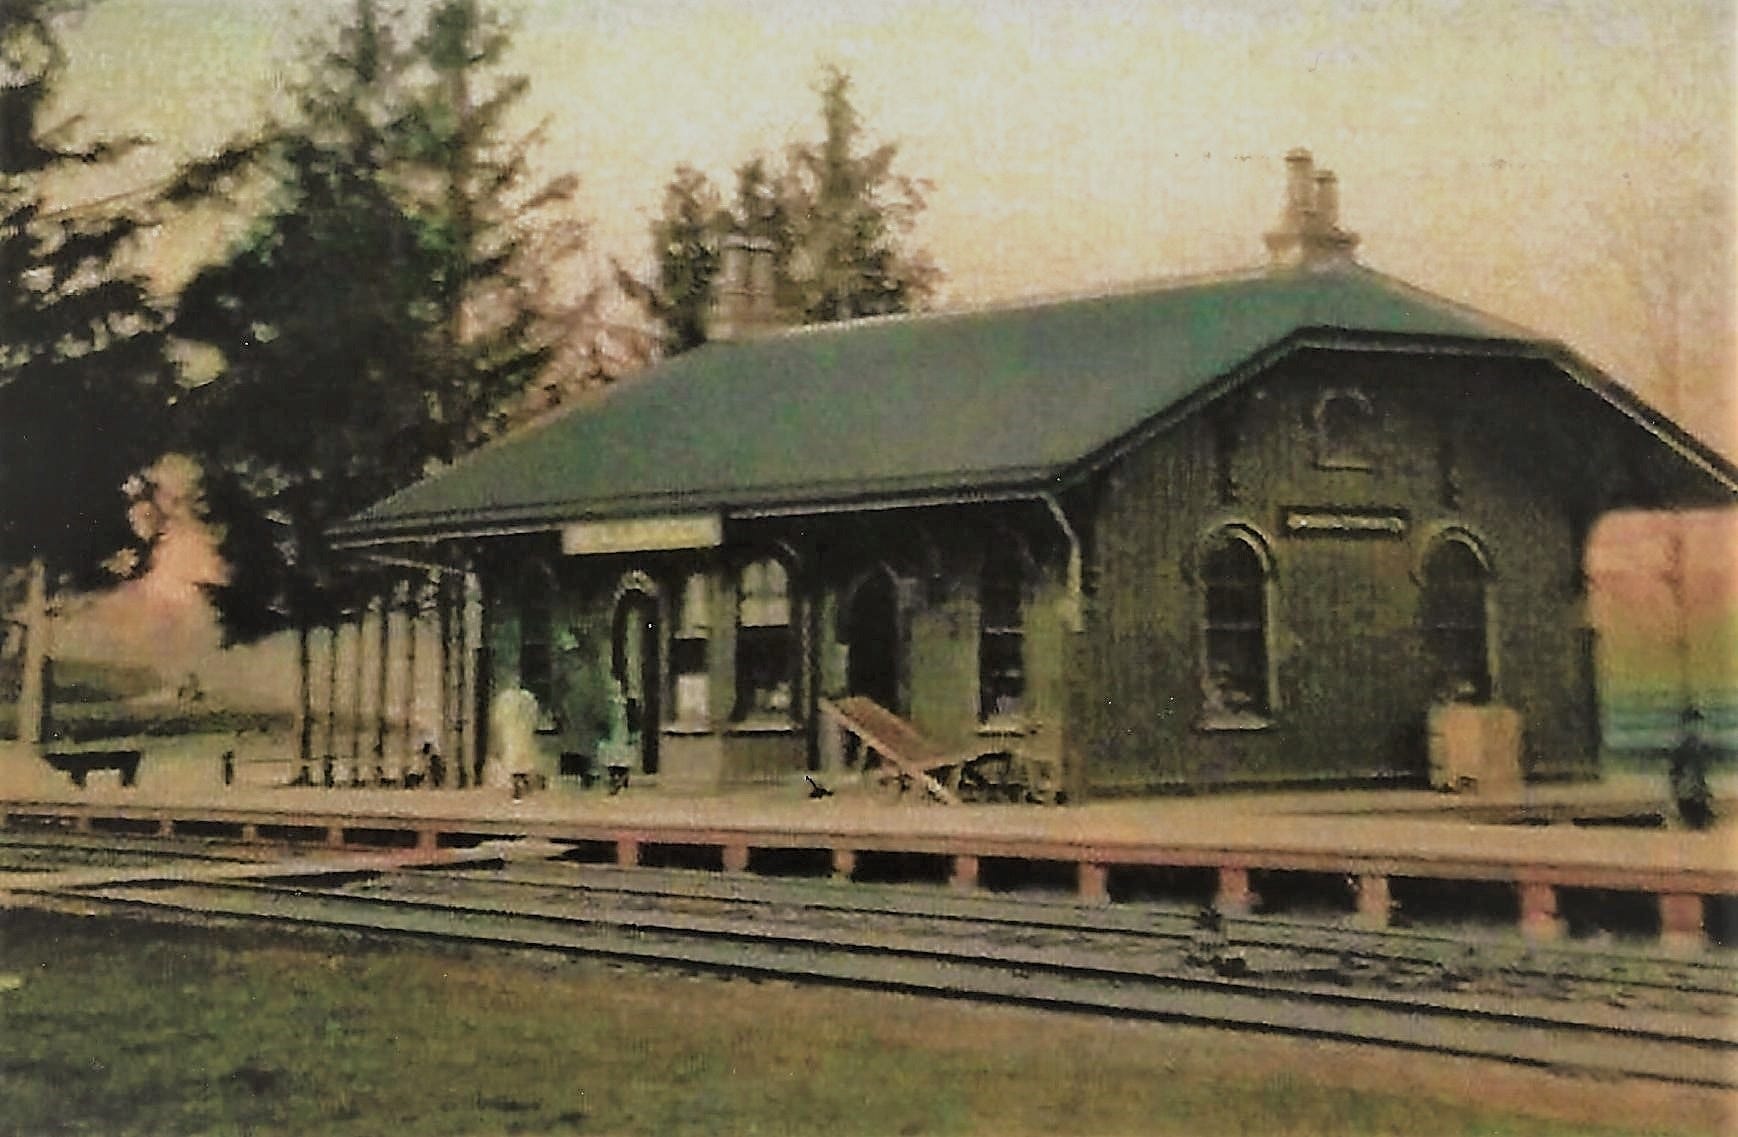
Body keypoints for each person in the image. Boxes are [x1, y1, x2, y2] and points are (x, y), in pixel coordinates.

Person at [1669, 706, 1717, 831]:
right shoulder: (1689, 745)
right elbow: (1677, 774)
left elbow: (1677, 774)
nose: (1697, 727)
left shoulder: (1692, 744)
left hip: (1691, 797)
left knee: (1704, 821)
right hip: (1689, 798)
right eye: (1694, 723)